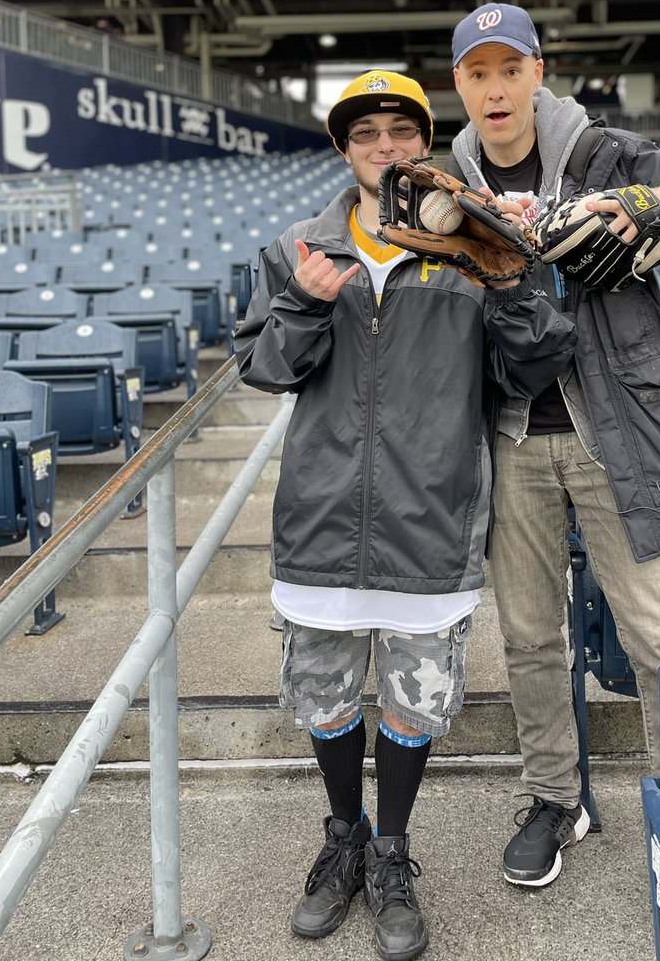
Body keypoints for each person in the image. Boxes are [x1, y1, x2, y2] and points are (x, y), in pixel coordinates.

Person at [233, 69, 576, 960]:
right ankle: (341, 837)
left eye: (400, 131)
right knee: (325, 694)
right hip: (321, 518)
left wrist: (503, 282)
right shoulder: (298, 246)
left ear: (424, 144)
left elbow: (536, 366)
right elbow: (264, 369)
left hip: (433, 513)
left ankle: (391, 850)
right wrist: (305, 303)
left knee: (417, 704)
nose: (385, 148)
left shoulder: (472, 238)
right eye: (365, 134)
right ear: (345, 149)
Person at [447, 4, 660, 888]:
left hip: (620, 429)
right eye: (477, 73)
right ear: (460, 84)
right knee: (533, 641)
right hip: (508, 435)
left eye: (510, 68)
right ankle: (555, 799)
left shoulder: (609, 155)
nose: (495, 88)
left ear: (538, 71)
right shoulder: (448, 186)